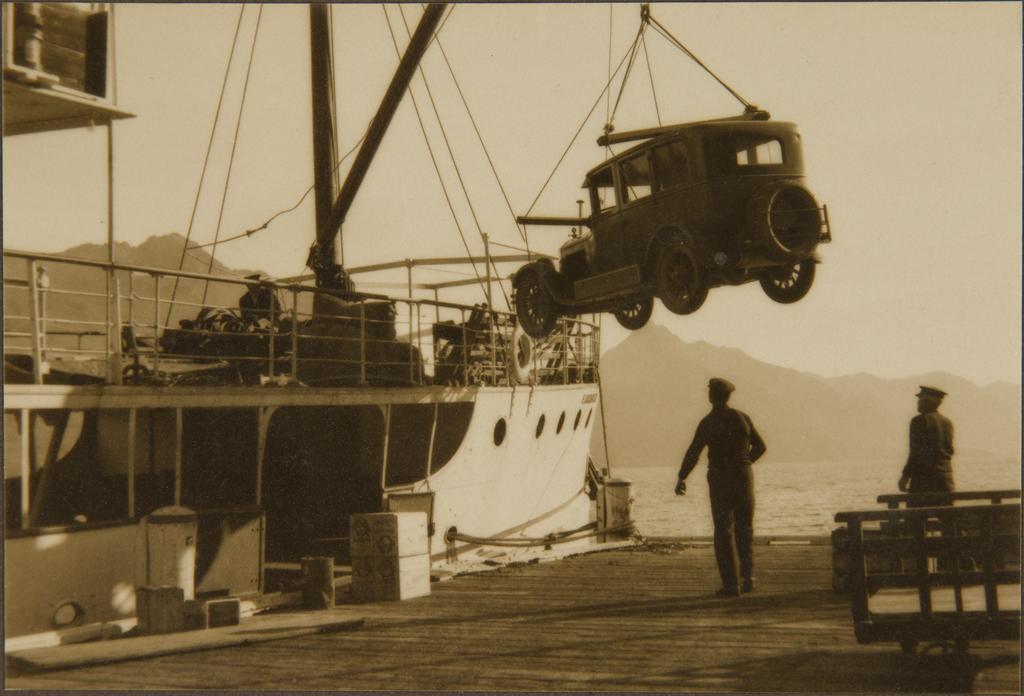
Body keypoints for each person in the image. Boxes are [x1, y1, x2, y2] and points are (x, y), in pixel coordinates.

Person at [675, 378, 767, 597]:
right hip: (744, 476)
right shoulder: (742, 418)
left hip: (720, 478)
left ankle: (731, 584)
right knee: (745, 528)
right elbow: (761, 446)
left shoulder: (708, 422)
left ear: (711, 396)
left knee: (723, 530)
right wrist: (744, 462)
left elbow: (694, 452)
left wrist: (681, 478)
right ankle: (749, 578)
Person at [898, 386, 955, 503]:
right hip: (946, 480)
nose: (917, 403)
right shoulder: (947, 422)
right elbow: (949, 450)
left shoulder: (919, 421)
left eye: (920, 400)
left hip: (924, 481)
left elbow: (915, 452)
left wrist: (905, 476)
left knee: (914, 519)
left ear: (927, 402)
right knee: (947, 518)